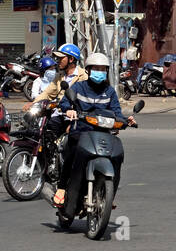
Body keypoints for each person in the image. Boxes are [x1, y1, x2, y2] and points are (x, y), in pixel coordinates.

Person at [54, 52, 135, 211]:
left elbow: (116, 112)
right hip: (81, 131)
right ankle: (62, 188)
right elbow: (65, 102)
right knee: (72, 151)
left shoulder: (110, 91)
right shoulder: (79, 87)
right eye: (96, 68)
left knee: (117, 156)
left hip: (104, 134)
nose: (100, 72)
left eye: (103, 69)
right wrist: (69, 110)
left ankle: (108, 194)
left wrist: (125, 120)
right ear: (89, 70)